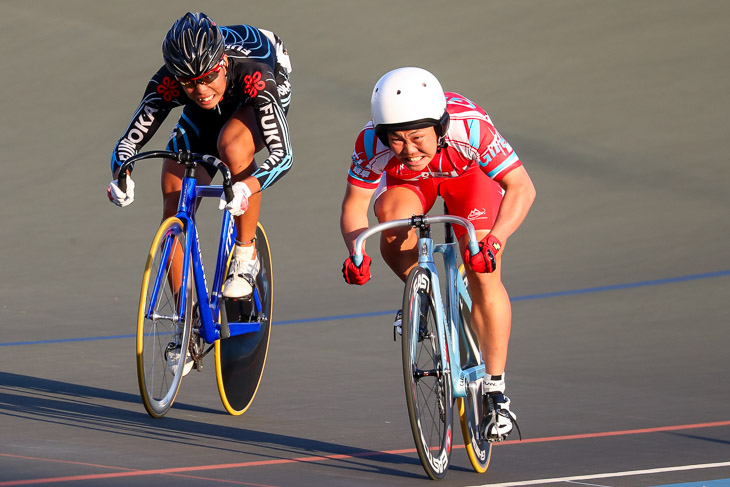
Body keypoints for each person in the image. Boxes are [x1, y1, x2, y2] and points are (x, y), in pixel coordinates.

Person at [340, 67, 535, 441]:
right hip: (409, 187)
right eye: (396, 140)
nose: (409, 150)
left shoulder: (471, 129)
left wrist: (494, 241)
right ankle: (422, 291)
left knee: (482, 270)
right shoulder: (369, 143)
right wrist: (357, 251)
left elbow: (521, 188)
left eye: (417, 137)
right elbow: (355, 206)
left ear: (440, 126)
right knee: (391, 225)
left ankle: (496, 392)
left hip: (469, 177)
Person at [107, 12, 293, 374]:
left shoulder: (253, 72)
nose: (202, 89)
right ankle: (188, 323)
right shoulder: (172, 80)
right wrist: (121, 173)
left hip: (260, 80)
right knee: (173, 189)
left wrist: (246, 186)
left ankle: (245, 254)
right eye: (189, 84)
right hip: (211, 109)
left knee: (233, 147)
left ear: (222, 62)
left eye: (208, 77)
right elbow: (129, 140)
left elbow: (283, 156)